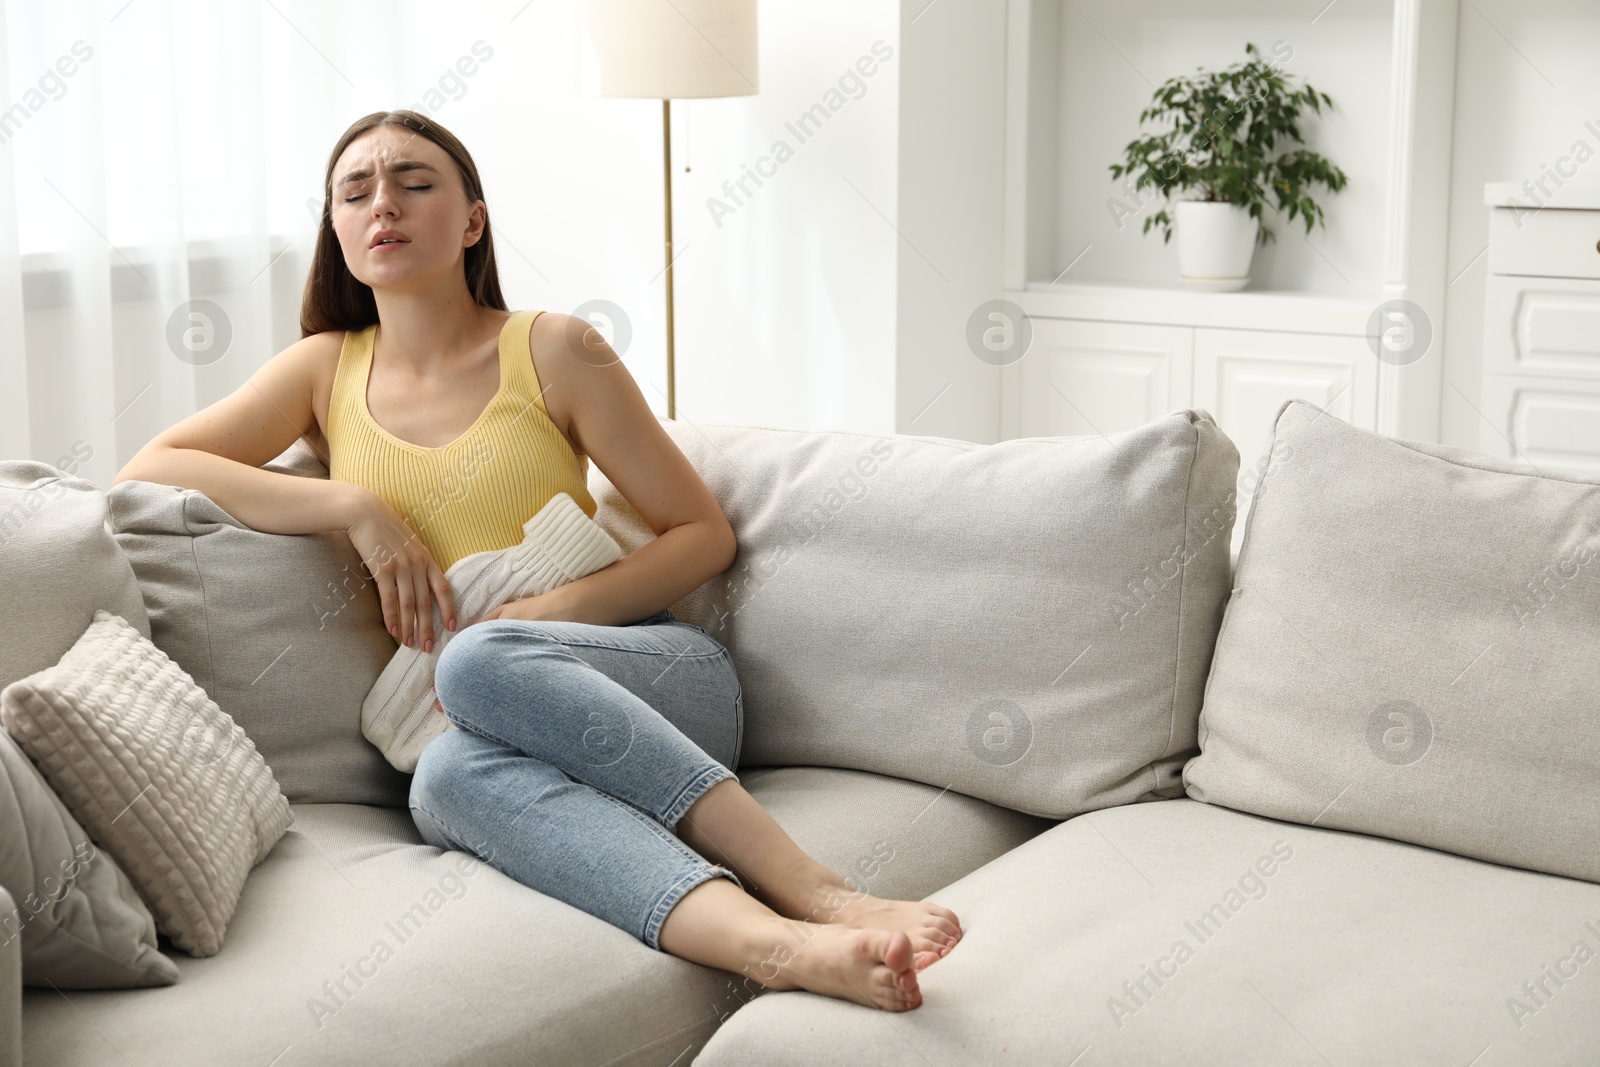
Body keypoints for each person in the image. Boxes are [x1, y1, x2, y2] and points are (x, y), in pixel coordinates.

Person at [114, 108, 960, 1012]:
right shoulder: (323, 369)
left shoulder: (554, 347)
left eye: (414, 181)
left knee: (477, 658)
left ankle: (821, 891)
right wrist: (349, 502)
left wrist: (530, 623)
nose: (382, 204)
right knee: (438, 779)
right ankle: (783, 948)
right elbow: (153, 468)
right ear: (338, 233)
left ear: (472, 219)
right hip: (478, 727)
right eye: (354, 192)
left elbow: (700, 534)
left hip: (656, 681)